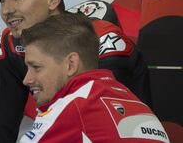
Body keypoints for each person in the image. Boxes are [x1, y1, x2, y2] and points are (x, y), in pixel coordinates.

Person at [0, 0, 151, 143]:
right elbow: (2, 124)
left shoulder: (101, 41)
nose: (6, 10)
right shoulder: (9, 45)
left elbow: (113, 126)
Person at [18, 13, 169, 143]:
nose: (26, 79)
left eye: (36, 67)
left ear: (71, 64)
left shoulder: (72, 106)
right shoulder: (133, 101)